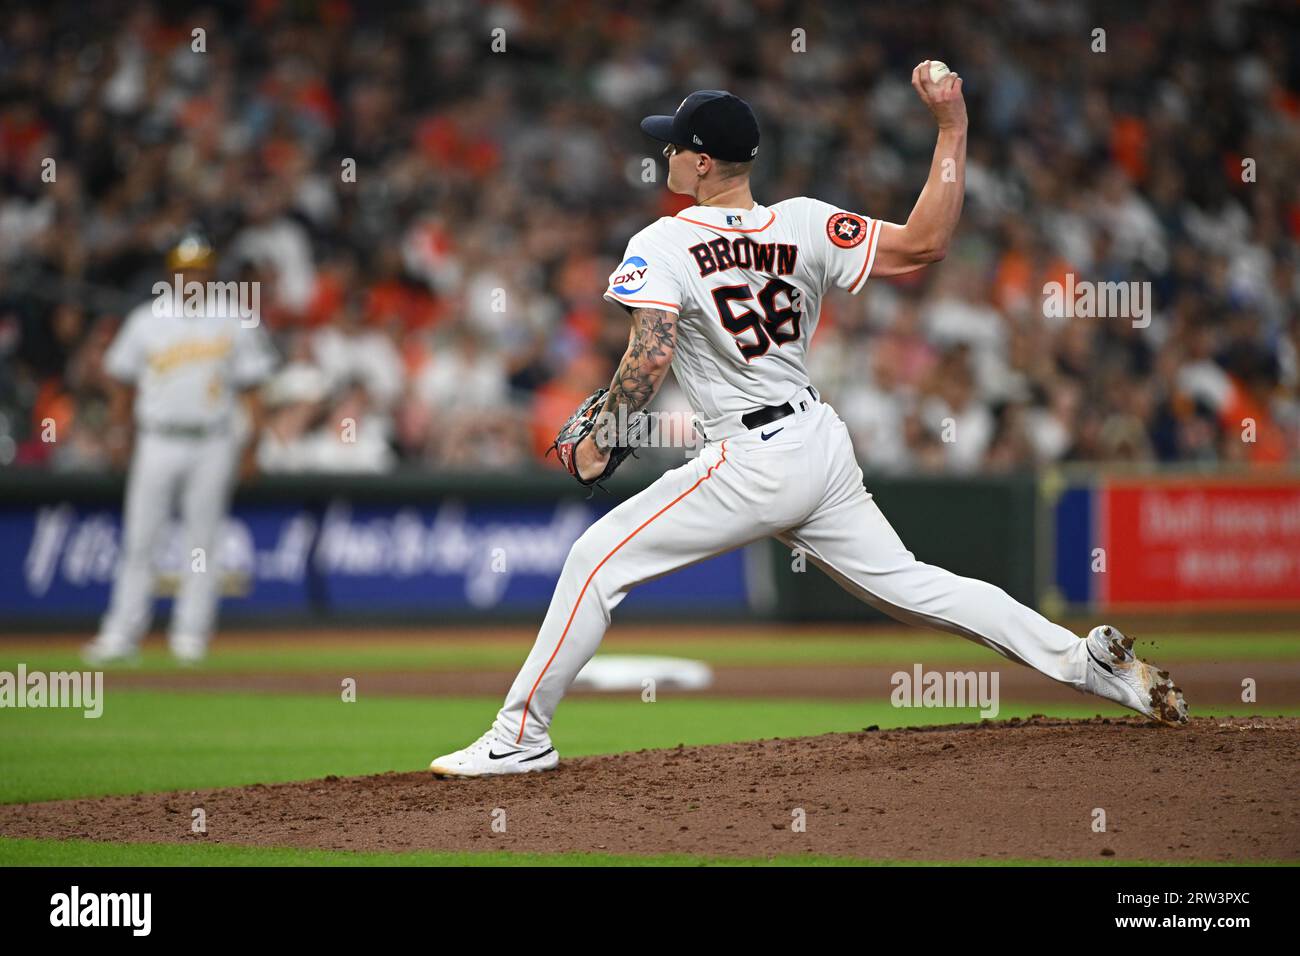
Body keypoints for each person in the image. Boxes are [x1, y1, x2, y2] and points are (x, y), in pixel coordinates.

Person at [430, 65, 1187, 777]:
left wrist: (603, 439)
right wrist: (951, 130)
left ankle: (519, 738)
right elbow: (928, 242)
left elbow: (652, 348)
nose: (664, 152)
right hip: (817, 444)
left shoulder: (662, 241)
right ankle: (1084, 662)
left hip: (751, 454)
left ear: (698, 164)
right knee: (917, 586)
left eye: (674, 143)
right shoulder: (806, 223)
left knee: (594, 560)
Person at [82, 233, 278, 665]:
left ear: (211, 274)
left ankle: (190, 635)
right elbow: (120, 382)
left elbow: (253, 390)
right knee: (140, 540)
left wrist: (253, 447)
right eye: (185, 269)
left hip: (213, 440)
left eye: (200, 270)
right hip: (157, 437)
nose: (193, 277)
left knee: (202, 543)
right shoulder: (146, 320)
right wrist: (120, 435)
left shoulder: (233, 318)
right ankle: (121, 633)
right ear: (171, 274)